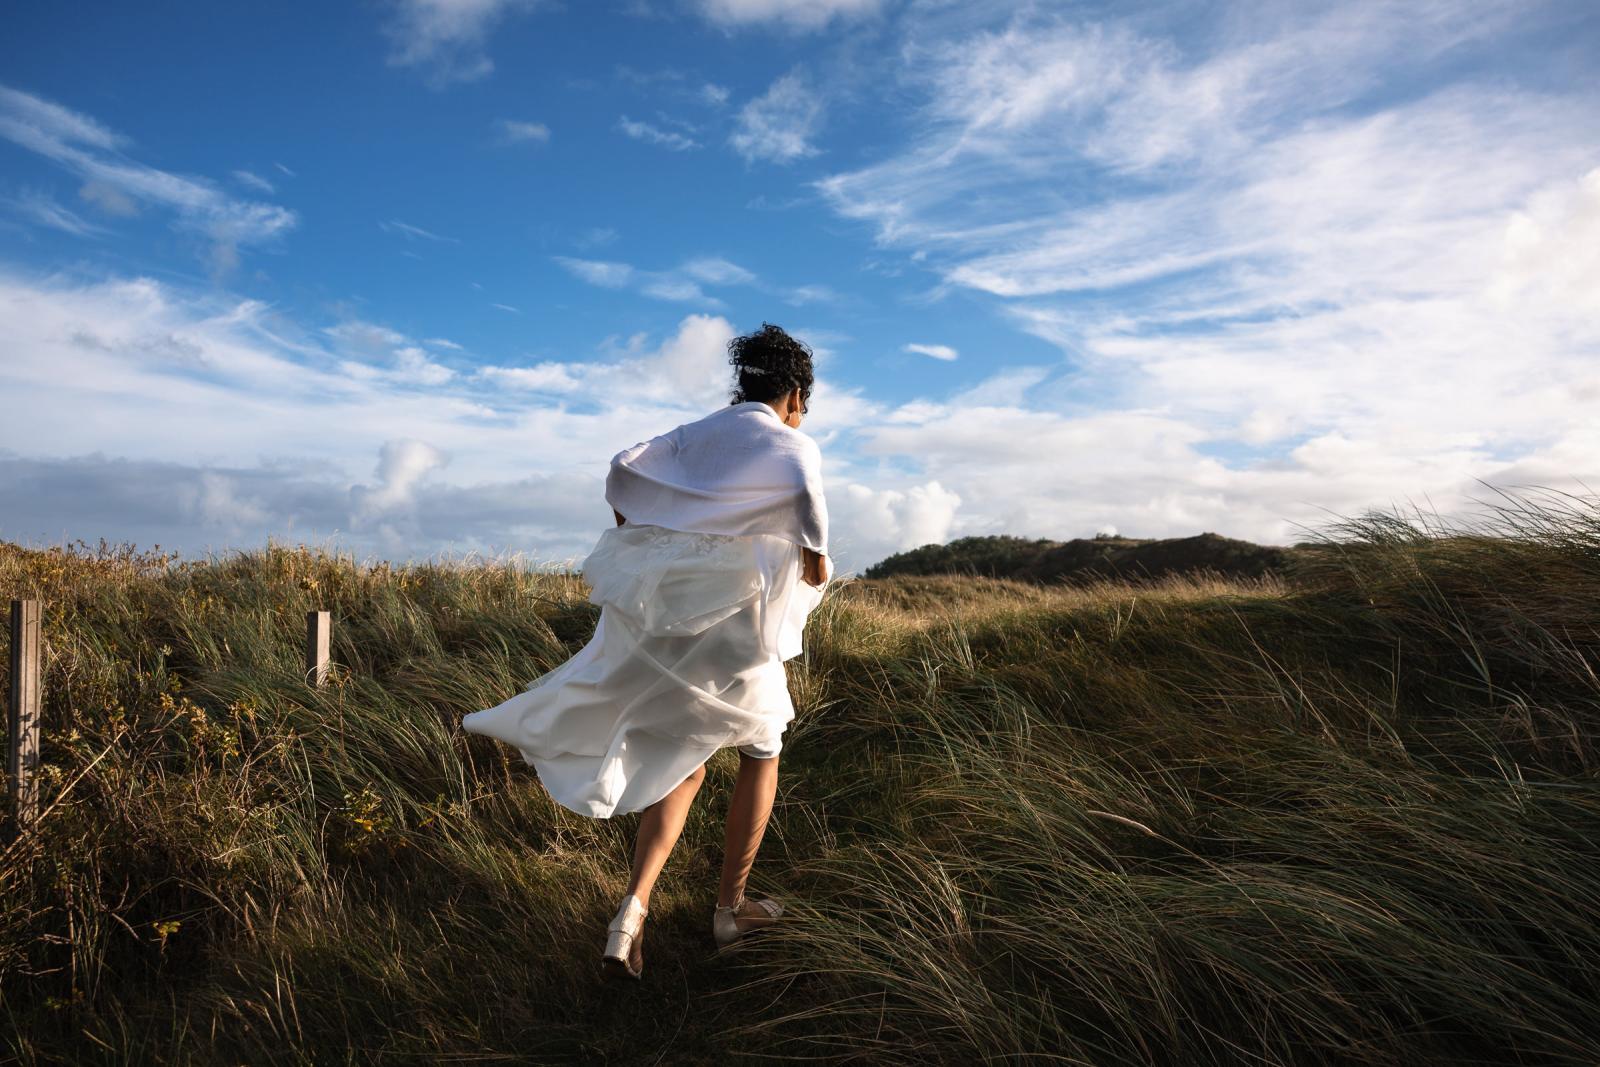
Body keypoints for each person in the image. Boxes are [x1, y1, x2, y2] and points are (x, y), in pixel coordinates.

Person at [461, 323, 831, 981]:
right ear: (795, 395)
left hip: (675, 625)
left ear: (743, 384)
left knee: (683, 758)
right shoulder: (791, 445)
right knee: (760, 750)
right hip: (740, 633)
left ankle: (628, 917)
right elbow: (813, 548)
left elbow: (622, 471)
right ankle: (729, 909)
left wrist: (657, 544)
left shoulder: (692, 434)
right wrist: (798, 557)